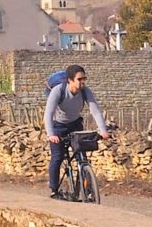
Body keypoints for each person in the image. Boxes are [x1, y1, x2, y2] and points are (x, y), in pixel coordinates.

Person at [44, 64, 108, 200]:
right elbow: (48, 114)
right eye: (79, 79)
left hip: (75, 124)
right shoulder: (58, 90)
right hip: (58, 126)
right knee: (58, 156)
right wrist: (51, 134)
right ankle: (54, 190)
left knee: (82, 156)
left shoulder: (85, 91)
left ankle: (89, 190)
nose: (82, 82)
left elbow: (95, 110)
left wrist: (103, 130)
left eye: (84, 78)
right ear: (70, 80)